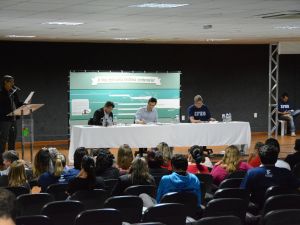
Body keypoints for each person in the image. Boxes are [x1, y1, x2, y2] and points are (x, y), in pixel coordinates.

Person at [0, 75, 23, 163]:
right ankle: (1, 159)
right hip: (4, 120)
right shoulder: (1, 93)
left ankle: (11, 159)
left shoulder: (13, 92)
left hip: (13, 119)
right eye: (11, 82)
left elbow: (17, 104)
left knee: (12, 139)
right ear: (6, 82)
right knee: (3, 139)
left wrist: (25, 104)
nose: (13, 84)